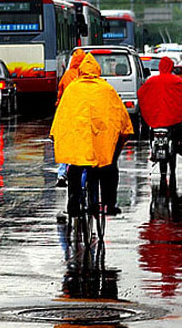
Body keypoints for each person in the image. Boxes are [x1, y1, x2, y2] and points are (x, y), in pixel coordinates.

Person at [50, 53, 133, 216]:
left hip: (78, 143)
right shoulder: (106, 89)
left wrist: (55, 134)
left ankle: (73, 204)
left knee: (74, 169)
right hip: (101, 143)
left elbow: (61, 115)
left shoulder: (72, 89)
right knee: (109, 168)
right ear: (98, 70)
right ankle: (109, 204)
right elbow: (120, 116)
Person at [137, 56, 182, 158]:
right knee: (179, 131)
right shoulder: (176, 80)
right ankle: (178, 144)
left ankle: (153, 150)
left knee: (152, 132)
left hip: (156, 118)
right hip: (172, 118)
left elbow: (141, 93)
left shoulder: (151, 81)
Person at [55, 49, 86, 187]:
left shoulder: (66, 76)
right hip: (82, 117)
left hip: (67, 116)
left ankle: (62, 172)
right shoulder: (83, 77)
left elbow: (60, 95)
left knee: (66, 147)